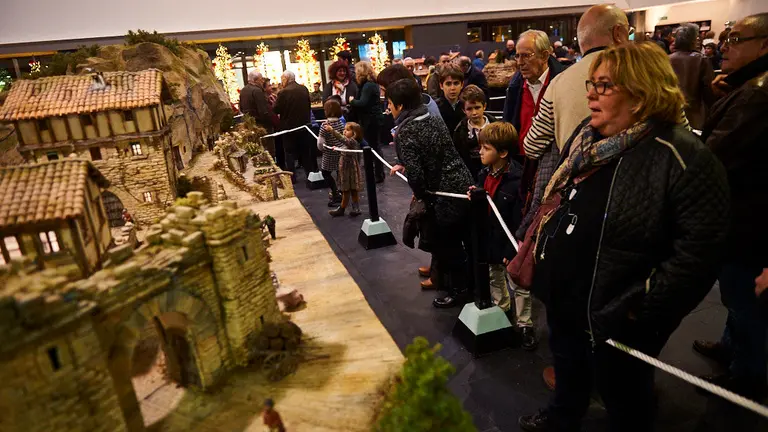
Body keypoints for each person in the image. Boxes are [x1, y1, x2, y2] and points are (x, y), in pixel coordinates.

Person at [518, 42, 729, 432]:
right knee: (567, 364)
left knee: (625, 391)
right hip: (567, 294)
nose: (590, 95)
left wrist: (640, 307)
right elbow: (559, 197)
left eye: (604, 86)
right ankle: (562, 416)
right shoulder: (587, 136)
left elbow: (699, 254)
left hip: (619, 312)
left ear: (642, 93)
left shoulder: (682, 156)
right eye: (591, 84)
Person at [520, 1, 633, 374]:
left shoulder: (560, 82)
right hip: (630, 208)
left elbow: (532, 145)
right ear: (619, 33)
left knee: (575, 295)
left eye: (603, 89)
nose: (594, 97)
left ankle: (576, 373)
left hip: (579, 203)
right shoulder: (644, 75)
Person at [693, 12, 768, 400]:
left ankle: (748, 374)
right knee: (735, 293)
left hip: (748, 218)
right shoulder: (746, 88)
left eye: (736, 39)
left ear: (764, 45)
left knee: (743, 296)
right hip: (743, 212)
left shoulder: (756, 94)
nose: (725, 47)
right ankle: (731, 346)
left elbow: (715, 152)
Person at [388, 78, 474, 308]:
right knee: (464, 241)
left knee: (449, 245)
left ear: (400, 105)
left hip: (443, 194)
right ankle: (468, 286)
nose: (389, 108)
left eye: (390, 103)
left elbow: (416, 174)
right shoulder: (432, 117)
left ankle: (459, 291)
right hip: (462, 182)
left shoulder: (406, 131)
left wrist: (422, 196)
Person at [471, 122, 523, 317]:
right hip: (491, 238)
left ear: (502, 153)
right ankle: (502, 309)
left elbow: (519, 219)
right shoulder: (483, 174)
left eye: (486, 148)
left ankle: (524, 323)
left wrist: (512, 248)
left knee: (516, 282)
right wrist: (475, 194)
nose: (480, 152)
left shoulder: (518, 181)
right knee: (495, 275)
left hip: (509, 240)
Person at [503, 29, 565, 156]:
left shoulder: (563, 83)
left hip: (554, 160)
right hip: (521, 161)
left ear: (544, 56)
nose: (520, 62)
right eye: (517, 56)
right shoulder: (514, 87)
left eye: (526, 56)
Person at [669, 23, 716, 130]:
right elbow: (709, 90)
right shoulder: (701, 60)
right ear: (693, 40)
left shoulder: (666, 59)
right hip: (694, 112)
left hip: (671, 111)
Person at [274, 70, 314, 182]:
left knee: (289, 153)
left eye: (282, 79)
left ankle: (292, 178)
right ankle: (310, 175)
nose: (281, 82)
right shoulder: (304, 89)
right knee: (305, 152)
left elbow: (276, 109)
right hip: (304, 126)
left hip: (288, 128)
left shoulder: (283, 93)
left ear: (286, 79)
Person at [349, 61, 385, 182]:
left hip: (371, 121)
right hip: (372, 120)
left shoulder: (368, 86)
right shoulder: (371, 84)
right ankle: (378, 173)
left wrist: (352, 101)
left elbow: (362, 102)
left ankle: (378, 174)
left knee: (374, 147)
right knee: (375, 146)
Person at [453, 84, 496, 180]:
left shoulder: (496, 126)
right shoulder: (459, 131)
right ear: (464, 110)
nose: (474, 113)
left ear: (484, 106)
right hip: (471, 176)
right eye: (469, 109)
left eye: (477, 107)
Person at [324, 122, 364, 217]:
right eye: (344, 129)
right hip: (346, 170)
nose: (344, 131)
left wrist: (332, 130)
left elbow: (343, 140)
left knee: (348, 190)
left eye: (348, 130)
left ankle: (342, 209)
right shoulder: (349, 143)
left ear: (355, 133)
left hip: (350, 170)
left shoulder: (352, 142)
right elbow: (345, 149)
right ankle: (354, 208)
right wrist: (338, 149)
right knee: (349, 190)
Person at [318, 99, 344, 206]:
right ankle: (341, 191)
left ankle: (335, 193)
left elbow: (320, 143)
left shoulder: (325, 125)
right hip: (340, 152)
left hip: (329, 154)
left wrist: (322, 149)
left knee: (326, 173)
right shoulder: (340, 123)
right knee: (339, 172)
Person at [436, 63, 466, 134]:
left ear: (462, 85)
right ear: (441, 86)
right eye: (448, 84)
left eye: (456, 83)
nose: (452, 88)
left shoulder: (466, 106)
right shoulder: (435, 108)